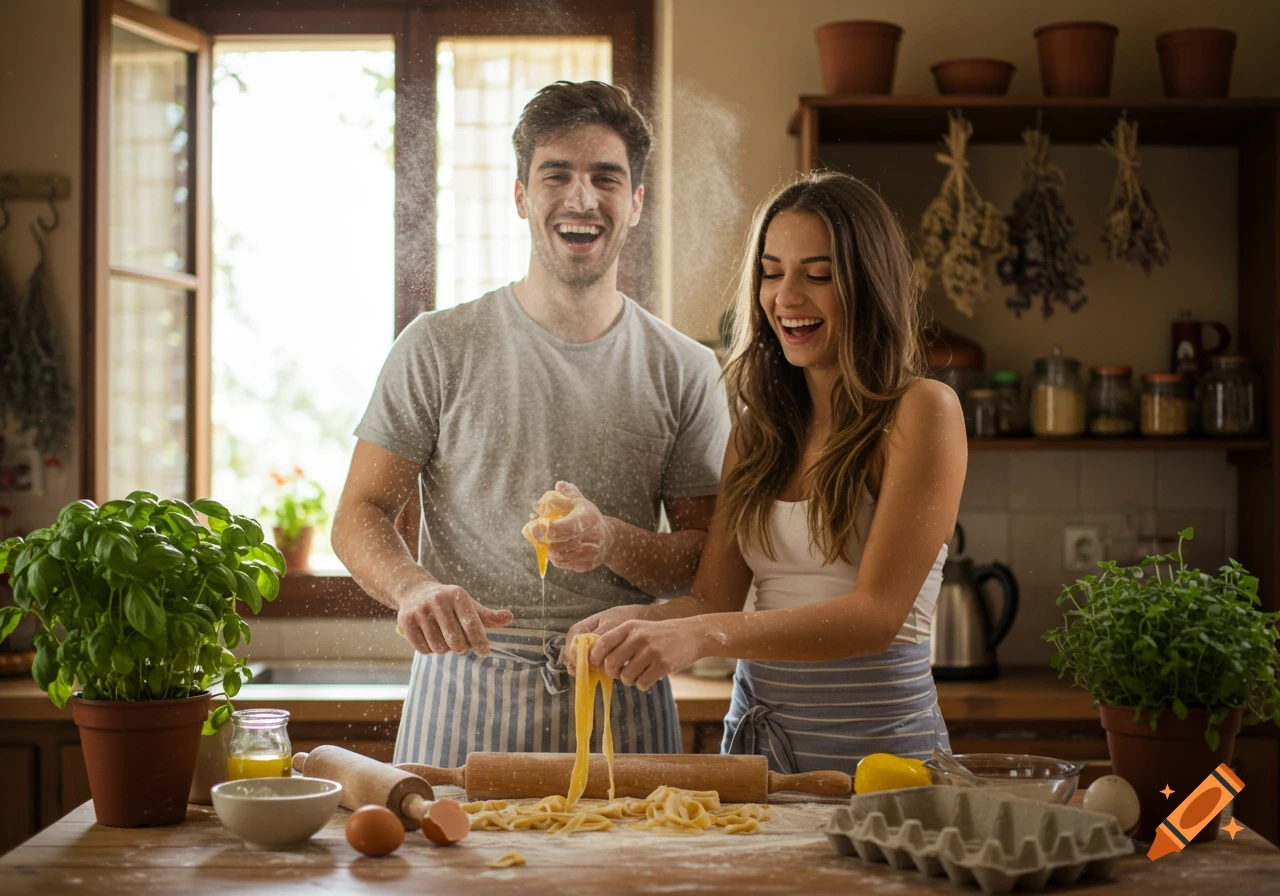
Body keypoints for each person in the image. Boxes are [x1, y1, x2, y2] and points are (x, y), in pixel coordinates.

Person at [332, 81, 730, 767]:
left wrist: (610, 540)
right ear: (521, 196)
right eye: (557, 176)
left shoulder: (686, 368)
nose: (582, 199)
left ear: (635, 204)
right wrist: (415, 588)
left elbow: (706, 563)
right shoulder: (438, 345)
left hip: (621, 693)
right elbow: (358, 514)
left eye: (606, 178)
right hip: (462, 691)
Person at [566, 170, 967, 774]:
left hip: (883, 756)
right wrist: (632, 623)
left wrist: (704, 637)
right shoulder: (759, 430)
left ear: (869, 283)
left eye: (819, 275)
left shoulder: (922, 412)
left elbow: (875, 616)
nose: (787, 297)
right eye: (772, 272)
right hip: (759, 760)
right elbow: (711, 599)